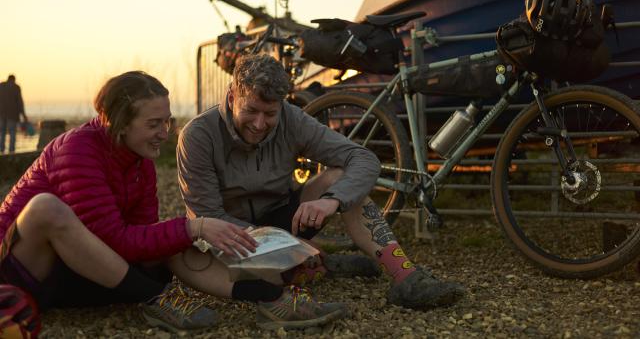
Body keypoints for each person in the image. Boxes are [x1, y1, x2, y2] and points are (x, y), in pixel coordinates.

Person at [0, 70, 345, 333]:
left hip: (82, 276)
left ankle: (271, 300)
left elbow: (141, 239)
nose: (166, 133)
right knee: (46, 207)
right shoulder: (77, 150)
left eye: (168, 121)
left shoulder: (140, 162)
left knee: (169, 238)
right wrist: (194, 226)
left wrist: (189, 234)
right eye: (154, 123)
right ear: (119, 122)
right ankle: (156, 298)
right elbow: (112, 239)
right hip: (20, 276)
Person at [177, 54, 465, 313]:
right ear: (231, 96)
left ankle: (406, 277)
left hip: (283, 215)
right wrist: (280, 244)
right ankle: (320, 265)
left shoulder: (292, 119)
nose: (260, 123)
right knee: (246, 277)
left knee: (340, 177)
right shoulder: (197, 136)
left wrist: (332, 200)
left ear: (282, 104)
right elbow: (208, 217)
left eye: (270, 113)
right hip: (229, 233)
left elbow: (362, 158)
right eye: (251, 110)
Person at [0, 75, 28, 154]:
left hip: (1, 114)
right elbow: (20, 102)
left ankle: (1, 150)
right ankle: (11, 151)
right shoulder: (16, 87)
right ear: (13, 80)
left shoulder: (1, 86)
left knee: (2, 132)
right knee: (12, 132)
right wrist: (23, 115)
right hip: (12, 114)